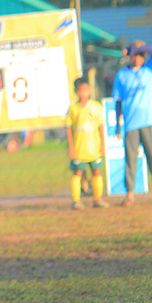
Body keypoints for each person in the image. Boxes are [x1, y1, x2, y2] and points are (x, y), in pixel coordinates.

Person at [113, 40, 152, 205]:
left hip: (150, 121)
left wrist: (136, 48)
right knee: (130, 160)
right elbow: (118, 102)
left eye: (140, 55)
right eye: (134, 55)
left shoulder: (150, 69)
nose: (137, 58)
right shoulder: (121, 75)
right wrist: (118, 126)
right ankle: (129, 193)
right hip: (131, 123)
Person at [65, 77, 109, 210]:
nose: (83, 93)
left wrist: (102, 143)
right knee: (77, 173)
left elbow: (101, 126)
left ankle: (98, 199)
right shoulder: (73, 108)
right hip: (79, 148)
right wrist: (71, 148)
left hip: (94, 147)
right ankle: (76, 201)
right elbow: (68, 128)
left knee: (96, 172)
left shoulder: (96, 107)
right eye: (80, 91)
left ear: (89, 90)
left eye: (85, 90)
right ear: (76, 92)